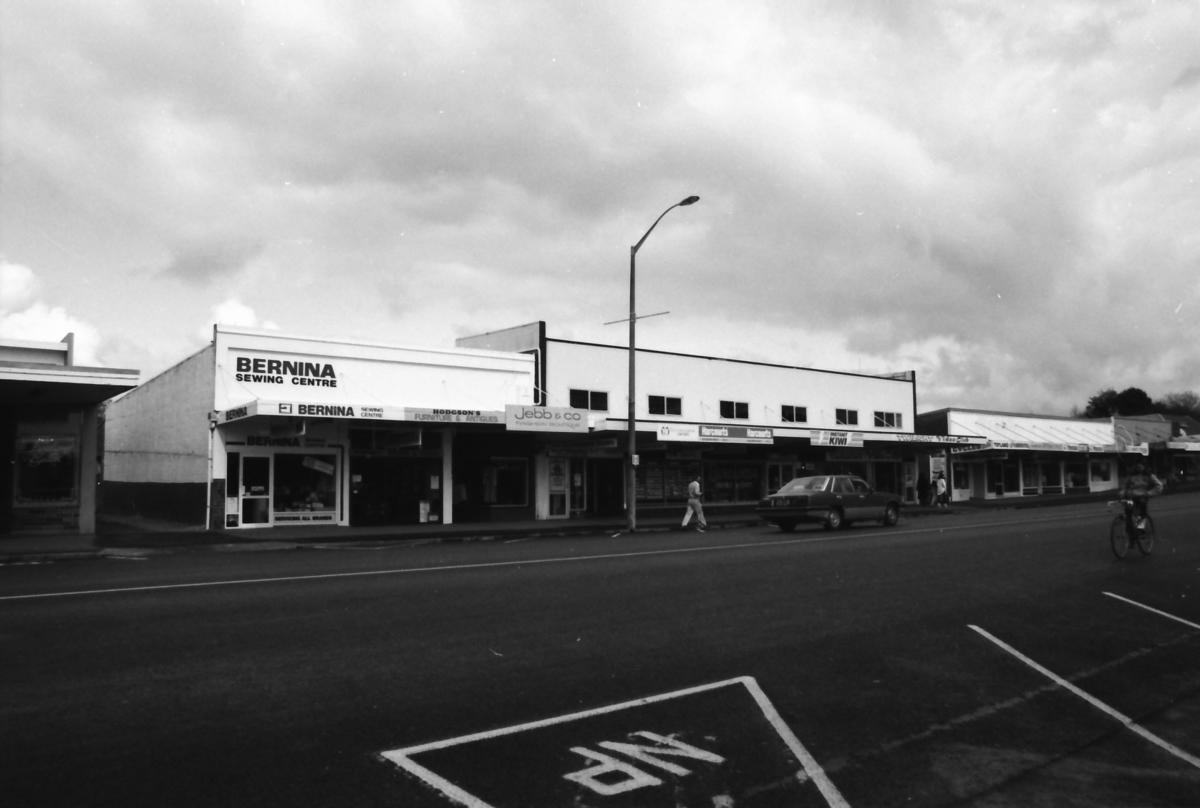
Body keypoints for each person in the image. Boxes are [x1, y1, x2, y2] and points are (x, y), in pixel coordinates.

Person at [1121, 463, 1164, 534]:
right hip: (1131, 497)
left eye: (1141, 465)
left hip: (1142, 497)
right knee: (1128, 511)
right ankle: (1129, 530)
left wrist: (1149, 493)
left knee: (1142, 510)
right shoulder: (1131, 476)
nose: (1139, 466)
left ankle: (1141, 528)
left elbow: (1159, 486)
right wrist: (1123, 492)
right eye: (1137, 465)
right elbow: (1124, 486)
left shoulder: (1149, 475)